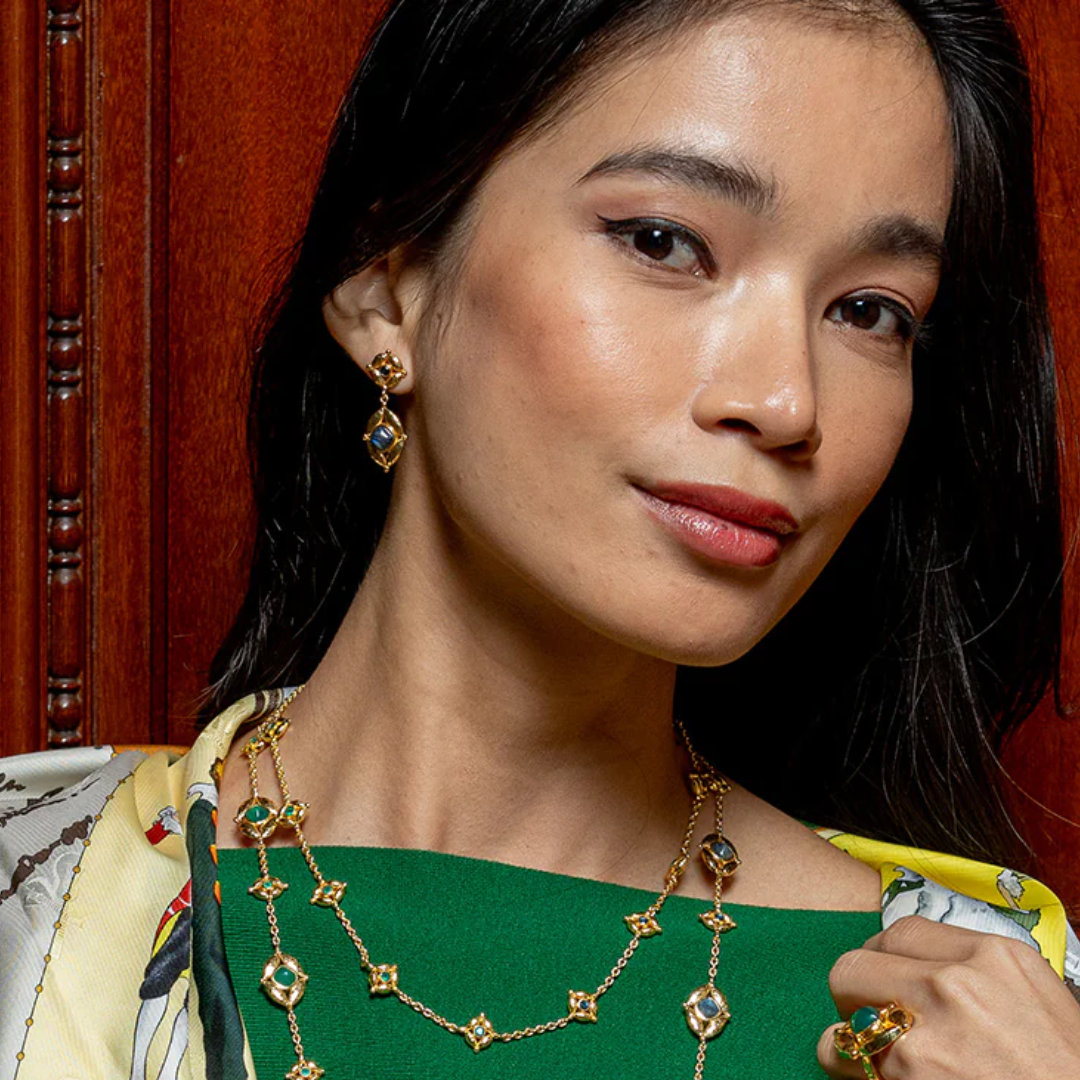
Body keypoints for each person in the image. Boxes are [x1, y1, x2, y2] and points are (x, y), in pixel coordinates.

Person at [2, 0, 1079, 1077]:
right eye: (665, 243)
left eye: (871, 311)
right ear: (385, 286)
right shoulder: (31, 902)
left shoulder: (992, 1009)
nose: (787, 401)